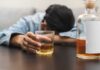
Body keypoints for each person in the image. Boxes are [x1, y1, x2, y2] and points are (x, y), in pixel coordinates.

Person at [0, 4, 76, 53]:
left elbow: (83, 38)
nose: (57, 35)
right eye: (55, 32)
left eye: (59, 33)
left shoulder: (66, 21)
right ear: (44, 25)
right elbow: (3, 35)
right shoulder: (28, 21)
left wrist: (54, 38)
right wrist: (20, 40)